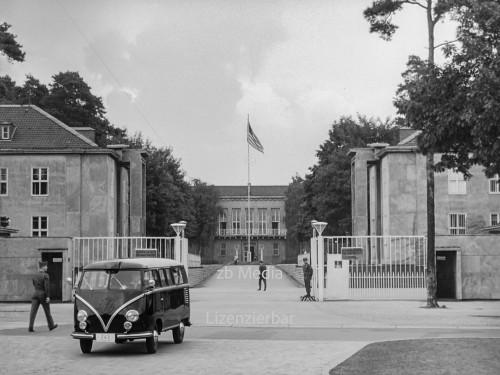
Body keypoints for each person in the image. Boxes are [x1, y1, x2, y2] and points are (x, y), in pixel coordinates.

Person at [28, 261, 58, 332]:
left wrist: (37, 290)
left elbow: (34, 283)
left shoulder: (35, 275)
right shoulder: (45, 275)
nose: (47, 267)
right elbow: (46, 286)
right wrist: (47, 296)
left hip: (35, 294)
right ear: (43, 267)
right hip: (43, 295)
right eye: (46, 266)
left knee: (33, 312)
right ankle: (51, 326)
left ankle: (30, 327)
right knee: (47, 311)